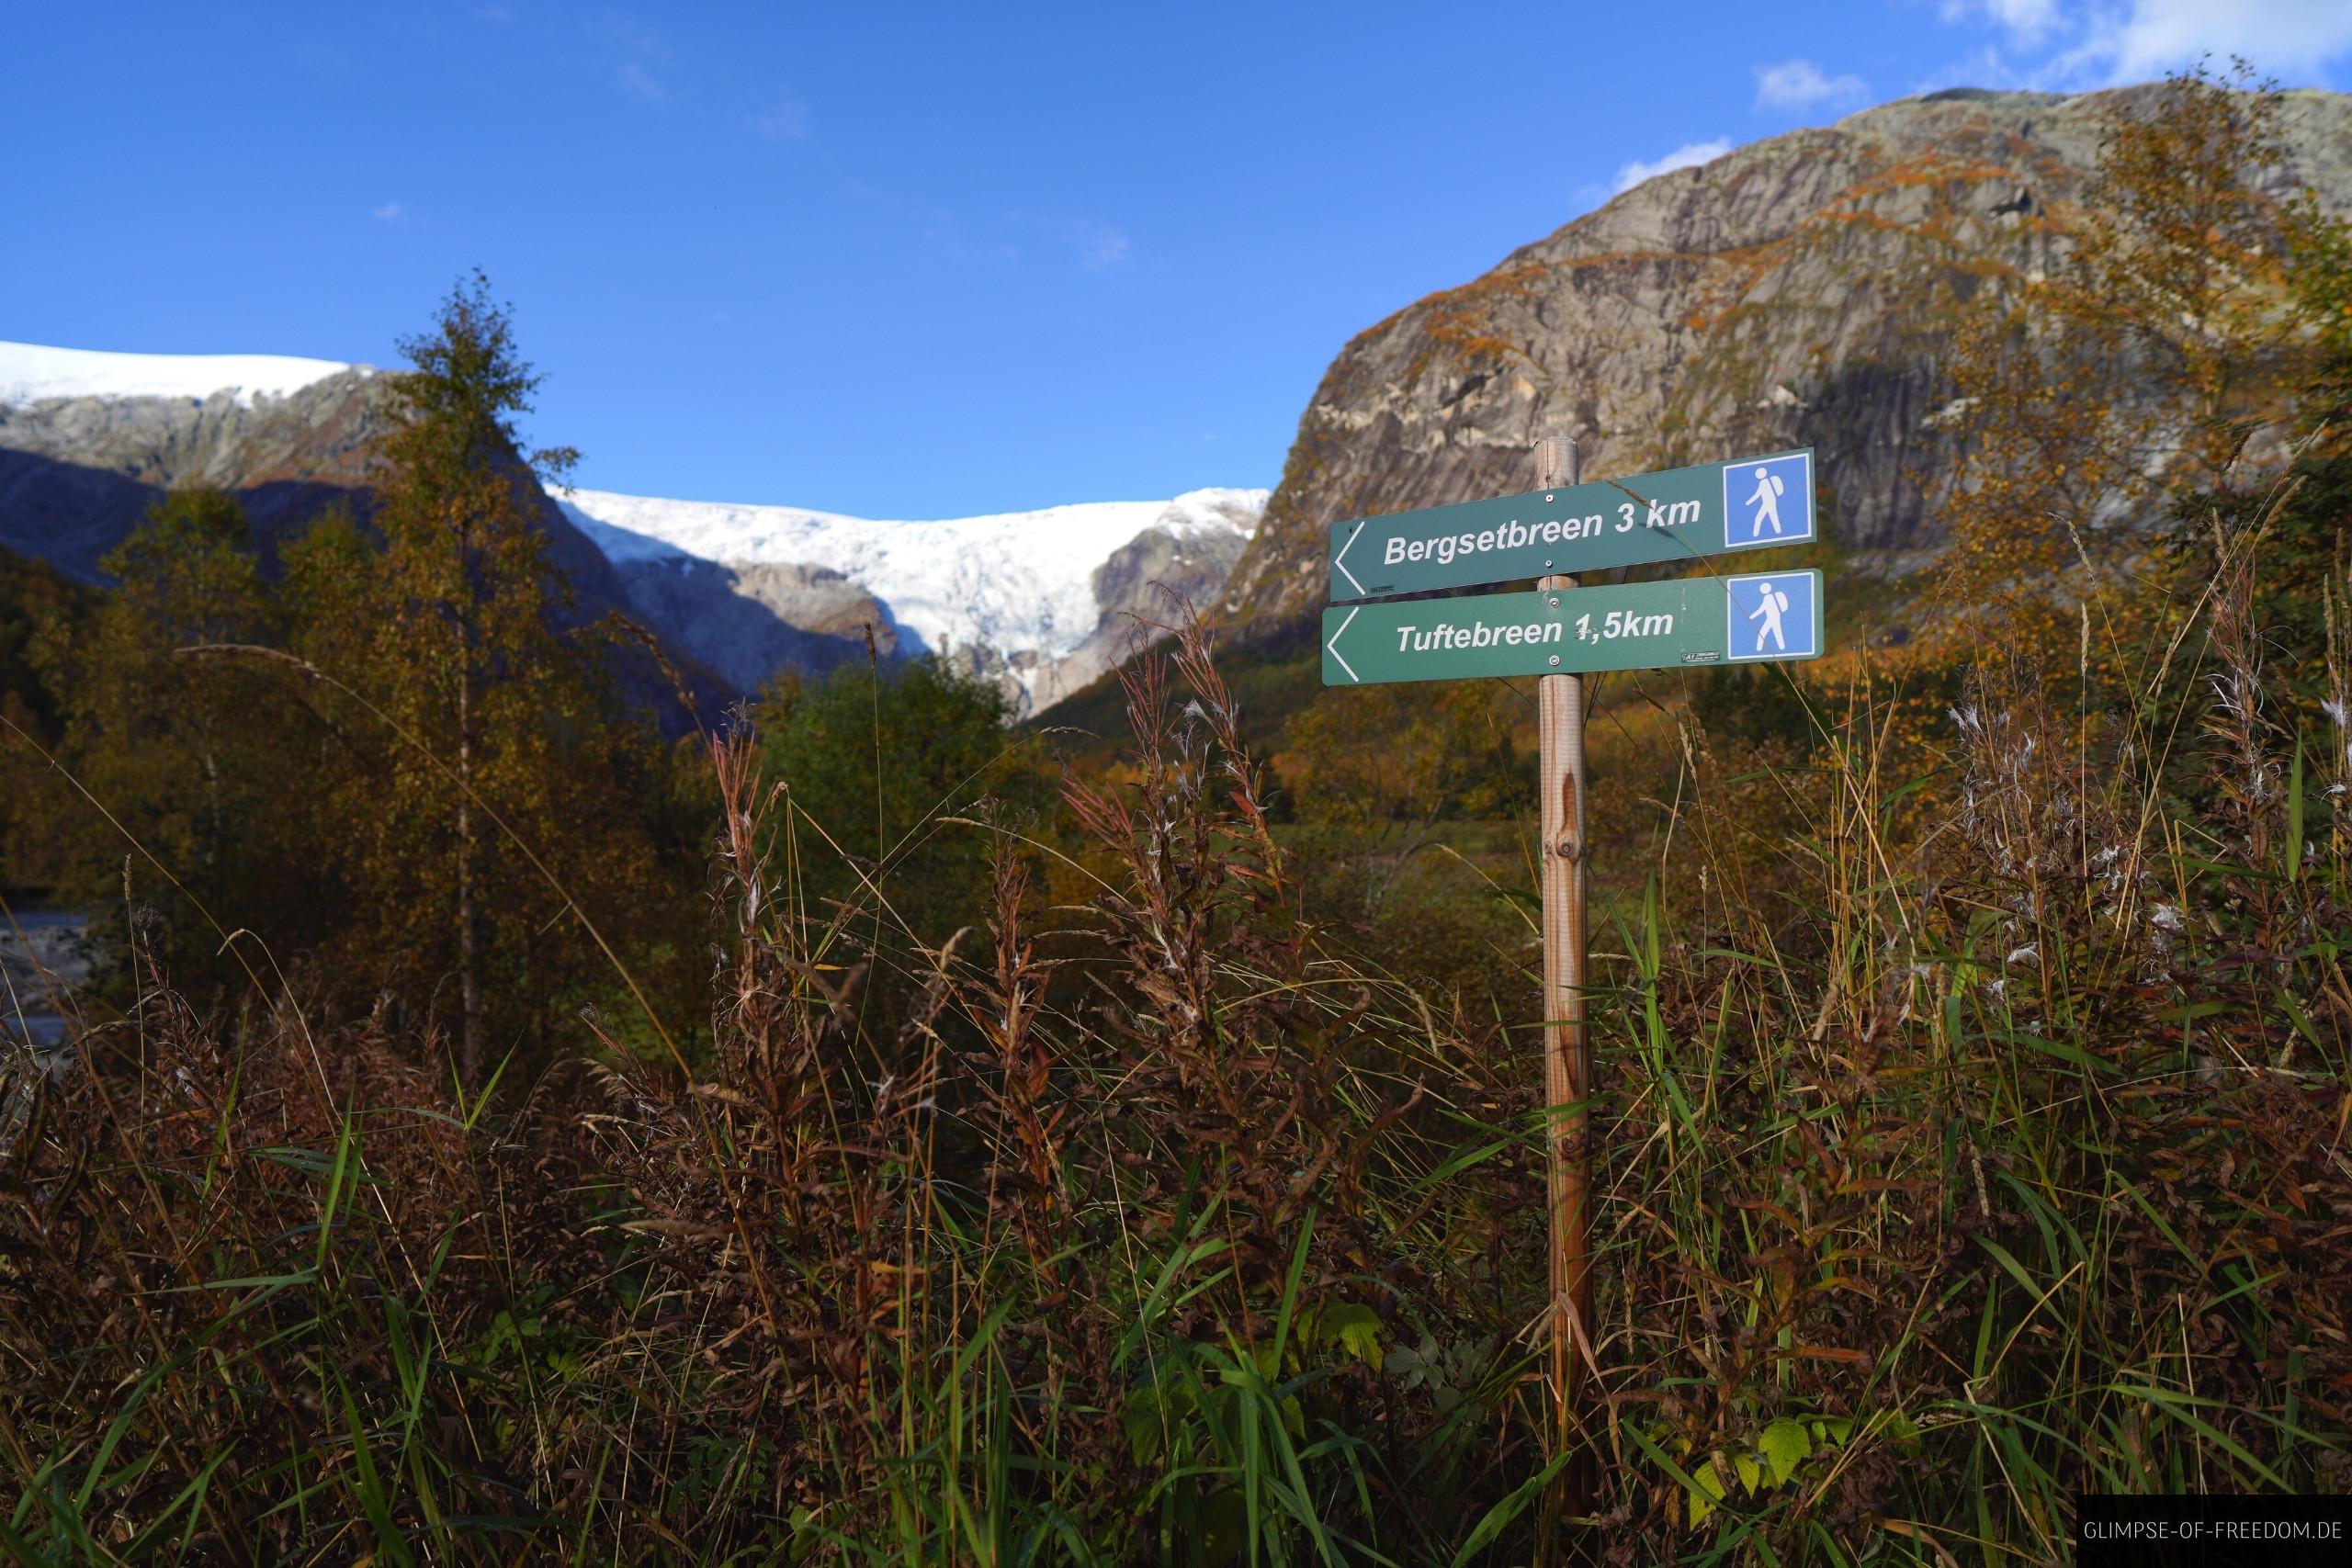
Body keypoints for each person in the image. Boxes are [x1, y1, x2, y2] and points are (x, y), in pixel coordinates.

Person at [1745, 464, 1785, 537]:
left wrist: (1748, 502)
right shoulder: (1768, 481)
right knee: (1772, 516)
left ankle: (1755, 535)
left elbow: (1757, 494)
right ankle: (1778, 531)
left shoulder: (1763, 483)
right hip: (1771, 501)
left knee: (1759, 518)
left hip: (1768, 502)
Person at [1748, 579, 1790, 651]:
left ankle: (1758, 650)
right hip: (1777, 616)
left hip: (1771, 618)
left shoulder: (1767, 598)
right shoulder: (1773, 596)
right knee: (1777, 632)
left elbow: (1761, 609)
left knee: (1762, 633)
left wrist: (1751, 616)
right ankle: (1782, 647)